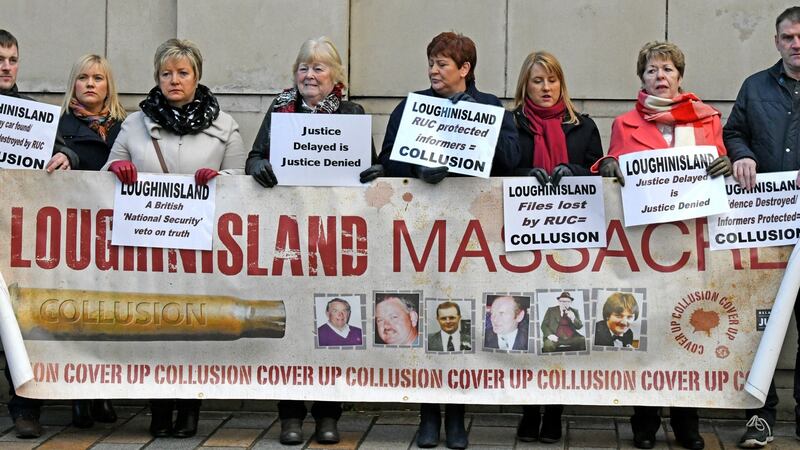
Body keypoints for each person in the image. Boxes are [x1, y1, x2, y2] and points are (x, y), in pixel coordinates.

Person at [103, 38, 245, 439]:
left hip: (202, 247)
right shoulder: (133, 123)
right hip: (147, 246)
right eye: (166, 73)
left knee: (193, 325)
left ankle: (190, 408)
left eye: (183, 73)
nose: (174, 80)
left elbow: (243, 183)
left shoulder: (225, 125)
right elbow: (107, 169)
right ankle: (158, 409)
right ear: (157, 78)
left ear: (197, 77)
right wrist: (119, 169)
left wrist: (221, 180)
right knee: (153, 325)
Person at [599, 41, 727, 450]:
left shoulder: (707, 120)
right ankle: (645, 423)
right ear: (642, 78)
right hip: (645, 246)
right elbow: (608, 169)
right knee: (648, 332)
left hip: (692, 244)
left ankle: (687, 422)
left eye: (668, 69)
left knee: (689, 332)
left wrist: (724, 163)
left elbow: (721, 163)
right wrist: (607, 166)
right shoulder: (624, 123)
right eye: (652, 70)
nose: (660, 76)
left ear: (679, 76)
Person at [724, 6, 800, 448]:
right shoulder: (755, 87)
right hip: (764, 229)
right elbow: (733, 132)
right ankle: (760, 415)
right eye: (788, 37)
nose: (796, 44)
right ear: (776, 41)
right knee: (761, 324)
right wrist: (742, 154)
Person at [0, 28, 76, 439]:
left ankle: (25, 409)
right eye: (0, 60)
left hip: (15, 240)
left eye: (12, 59)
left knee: (21, 326)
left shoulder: (30, 115)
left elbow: (68, 149)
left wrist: (66, 155)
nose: (7, 67)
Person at [49, 54, 127, 429]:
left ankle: (102, 391)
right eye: (83, 77)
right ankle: (78, 396)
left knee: (107, 313)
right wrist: (65, 153)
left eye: (98, 77)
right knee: (76, 313)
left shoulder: (128, 127)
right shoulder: (56, 126)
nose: (90, 84)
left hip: (117, 233)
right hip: (75, 232)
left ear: (109, 85)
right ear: (73, 84)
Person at [379, 31, 519, 184]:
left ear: (464, 69)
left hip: (477, 201)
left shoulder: (490, 105)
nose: (433, 71)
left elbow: (510, 160)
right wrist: (415, 170)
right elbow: (386, 159)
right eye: (431, 64)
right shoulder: (410, 106)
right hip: (420, 203)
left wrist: (478, 119)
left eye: (442, 64)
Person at [246, 36, 380, 188]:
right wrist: (257, 166)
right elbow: (254, 158)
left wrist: (379, 172)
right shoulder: (279, 106)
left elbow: (371, 166)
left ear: (335, 76)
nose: (309, 75)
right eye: (303, 68)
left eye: (318, 69)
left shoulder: (352, 113)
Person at [511, 50, 602, 186]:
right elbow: (496, 173)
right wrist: (526, 176)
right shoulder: (510, 124)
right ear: (525, 85)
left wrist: (573, 172)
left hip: (575, 205)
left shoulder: (584, 126)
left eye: (552, 80)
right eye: (537, 81)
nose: (546, 87)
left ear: (561, 85)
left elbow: (598, 176)